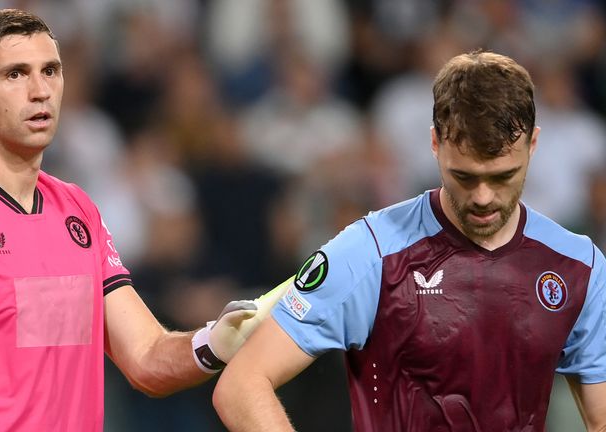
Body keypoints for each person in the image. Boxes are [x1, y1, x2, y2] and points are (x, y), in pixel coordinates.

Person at [0, 9, 285, 431]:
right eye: (15, 74)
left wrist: (212, 344)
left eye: (50, 71)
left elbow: (146, 357)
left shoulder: (77, 211)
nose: (40, 90)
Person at [213, 51, 606, 431]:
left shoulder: (580, 266)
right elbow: (241, 386)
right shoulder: (369, 254)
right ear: (435, 142)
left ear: (533, 144)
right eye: (465, 177)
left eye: (503, 176)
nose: (484, 197)